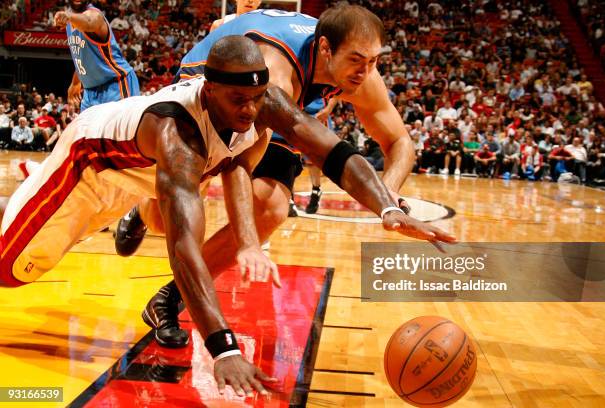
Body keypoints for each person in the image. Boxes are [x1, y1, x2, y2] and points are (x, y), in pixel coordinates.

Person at [0, 36, 454, 395]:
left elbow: (330, 149)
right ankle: (33, 191)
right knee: (10, 272)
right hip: (89, 169)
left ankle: (31, 201)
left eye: (258, 97)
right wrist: (222, 348)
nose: (250, 110)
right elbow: (182, 249)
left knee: (119, 223)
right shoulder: (178, 137)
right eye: (238, 98)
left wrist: (388, 206)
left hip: (133, 177)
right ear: (209, 88)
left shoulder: (258, 101)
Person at [118, 5, 445, 348]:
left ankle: (169, 299)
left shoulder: (358, 71)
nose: (365, 71)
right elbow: (237, 164)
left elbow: (399, 141)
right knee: (162, 218)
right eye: (357, 60)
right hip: (216, 95)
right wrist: (246, 244)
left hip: (280, 103)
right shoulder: (274, 72)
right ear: (324, 49)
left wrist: (387, 194)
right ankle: (141, 210)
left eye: (374, 61)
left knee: (271, 206)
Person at [54, 0, 140, 111]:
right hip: (90, 93)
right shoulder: (69, 21)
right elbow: (84, 57)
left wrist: (68, 16)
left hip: (116, 84)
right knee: (85, 128)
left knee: (121, 128)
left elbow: (89, 22)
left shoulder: (95, 15)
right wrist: (75, 82)